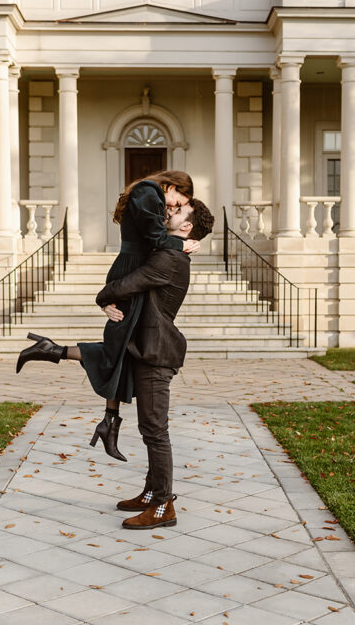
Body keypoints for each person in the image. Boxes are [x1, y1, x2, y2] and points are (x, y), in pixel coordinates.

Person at [15, 171, 199, 461]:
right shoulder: (148, 192)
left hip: (133, 273)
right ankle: (56, 356)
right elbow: (154, 236)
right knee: (117, 349)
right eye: (178, 200)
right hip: (130, 273)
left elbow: (153, 235)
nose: (174, 207)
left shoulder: (148, 194)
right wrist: (181, 244)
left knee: (120, 350)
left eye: (179, 206)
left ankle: (107, 421)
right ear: (172, 186)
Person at [96, 198, 215, 529]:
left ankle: (164, 505)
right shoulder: (173, 250)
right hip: (147, 348)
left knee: (155, 430)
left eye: (177, 211)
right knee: (150, 428)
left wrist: (103, 296)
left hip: (156, 352)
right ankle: (151, 493)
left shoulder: (169, 260)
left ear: (187, 226)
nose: (169, 211)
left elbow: (130, 282)